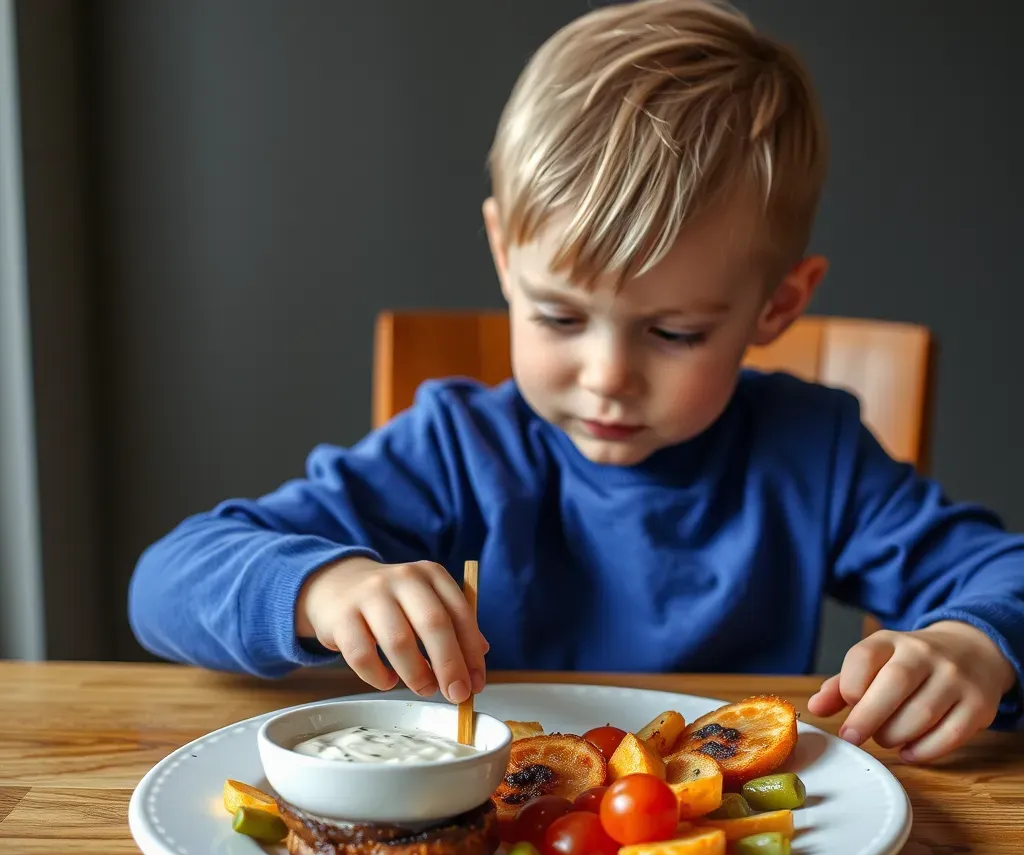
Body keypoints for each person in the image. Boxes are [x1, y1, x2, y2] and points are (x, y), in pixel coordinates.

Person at [128, 0, 1024, 762]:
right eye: (560, 318)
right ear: (503, 256)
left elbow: (1003, 576)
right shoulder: (454, 448)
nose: (608, 378)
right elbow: (165, 584)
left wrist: (974, 645)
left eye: (674, 333)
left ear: (776, 307)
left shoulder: (813, 455)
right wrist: (325, 588)